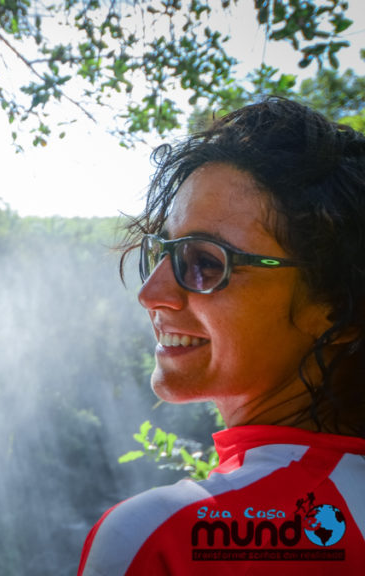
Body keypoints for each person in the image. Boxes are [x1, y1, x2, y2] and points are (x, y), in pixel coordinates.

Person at [77, 97, 365, 575]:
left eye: (206, 262)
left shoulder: (168, 538)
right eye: (163, 251)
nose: (151, 294)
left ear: (338, 308)